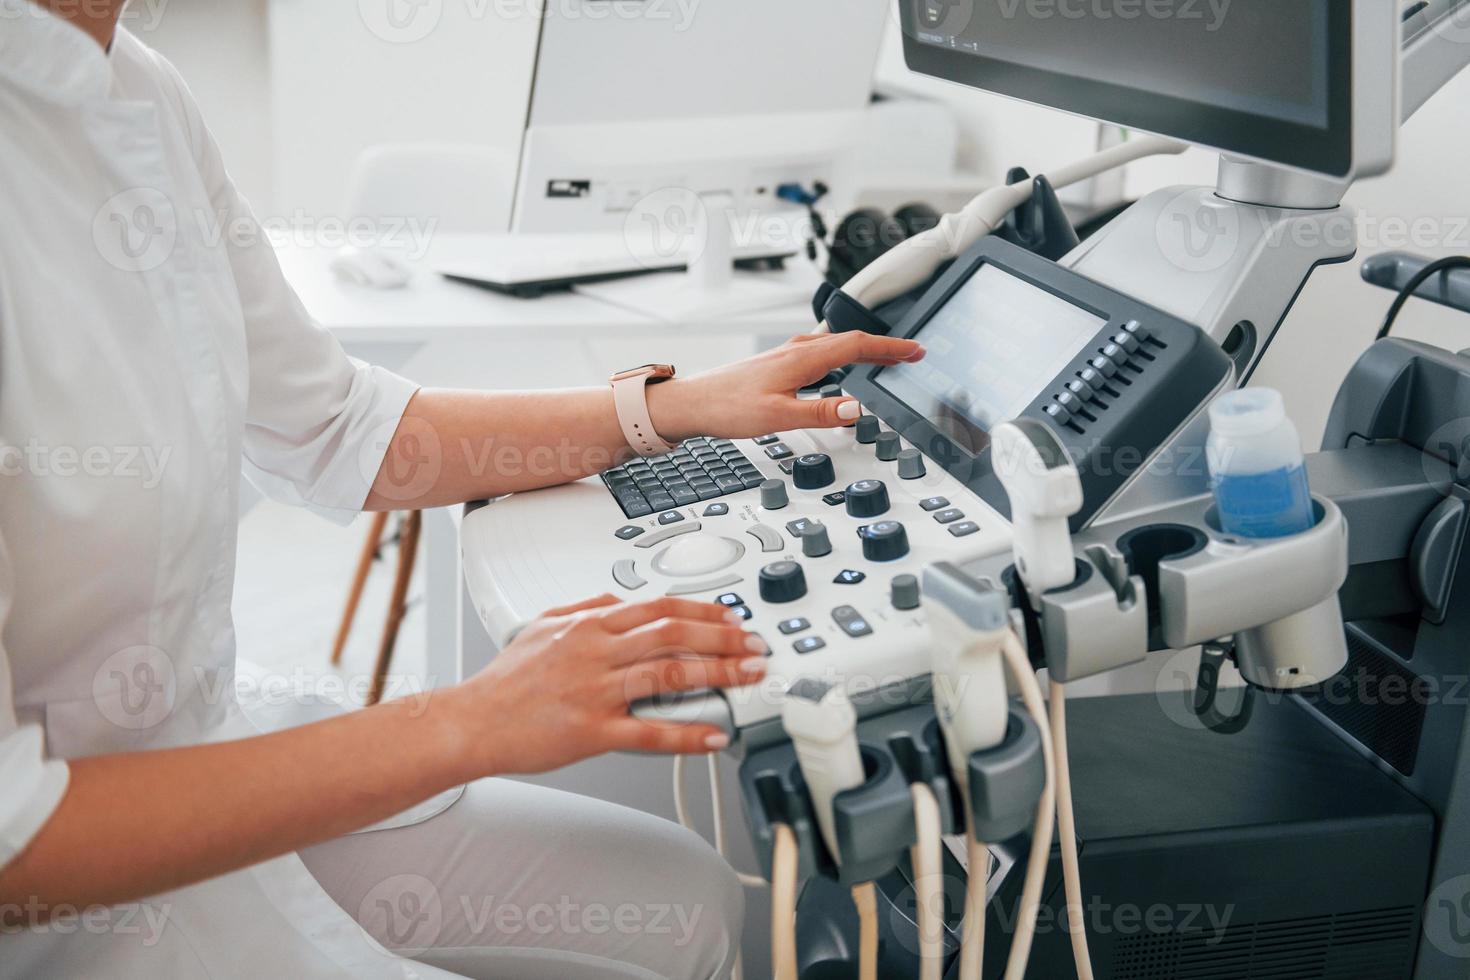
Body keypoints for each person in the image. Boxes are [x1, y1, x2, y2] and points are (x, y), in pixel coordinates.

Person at [0, 2, 926, 977]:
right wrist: (464, 722)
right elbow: (14, 841)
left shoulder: (139, 87)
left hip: (199, 745)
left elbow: (338, 425)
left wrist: (676, 405)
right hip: (65, 908)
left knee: (688, 900)